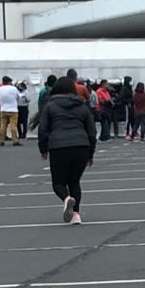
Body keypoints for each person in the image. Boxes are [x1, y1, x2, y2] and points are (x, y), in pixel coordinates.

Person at [38, 76, 96, 226]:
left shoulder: (50, 106)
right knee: (74, 182)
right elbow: (91, 131)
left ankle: (66, 199)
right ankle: (76, 214)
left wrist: (43, 149)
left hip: (58, 146)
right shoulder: (82, 106)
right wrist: (91, 153)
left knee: (58, 183)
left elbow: (43, 129)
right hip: (81, 145)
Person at [0, 76, 21, 147]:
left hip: (3, 109)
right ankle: (15, 140)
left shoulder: (0, 89)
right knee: (13, 126)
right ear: (9, 82)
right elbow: (18, 97)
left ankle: (2, 140)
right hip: (13, 109)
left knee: (3, 126)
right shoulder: (13, 88)